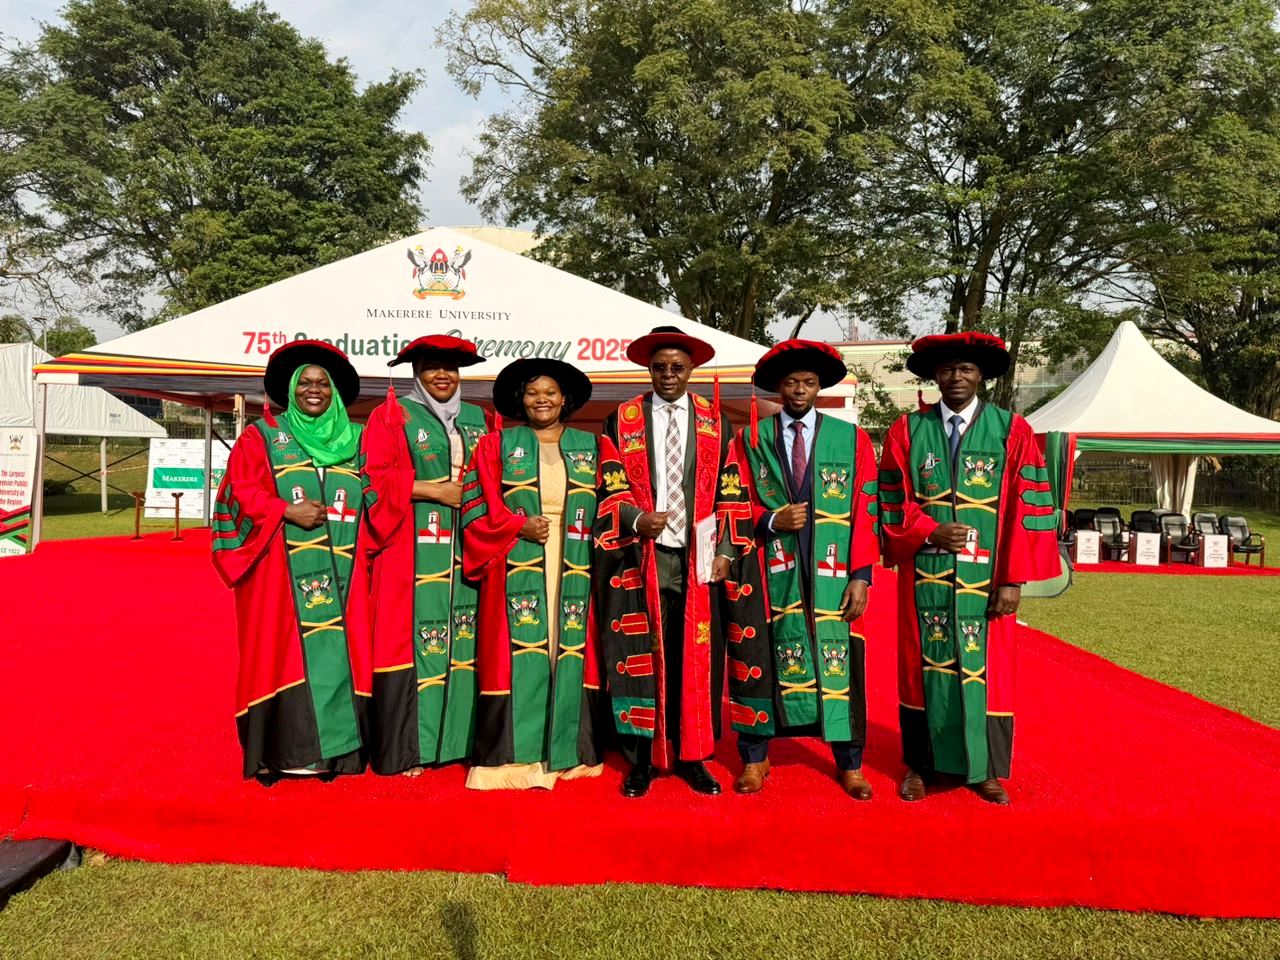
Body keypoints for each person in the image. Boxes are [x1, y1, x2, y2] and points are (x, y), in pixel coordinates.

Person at [879, 331, 1059, 805]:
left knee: (989, 671)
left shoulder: (1010, 430)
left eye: (965, 369)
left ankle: (985, 770)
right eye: (946, 369)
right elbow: (891, 501)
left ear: (981, 375)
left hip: (986, 582)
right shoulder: (907, 430)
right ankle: (921, 766)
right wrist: (928, 531)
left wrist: (1013, 578)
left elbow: (1029, 507)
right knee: (923, 668)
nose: (955, 377)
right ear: (934, 376)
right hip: (924, 579)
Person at [459, 357, 644, 790]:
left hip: (576, 561)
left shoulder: (595, 446)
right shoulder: (494, 445)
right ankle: (512, 759)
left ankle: (568, 752)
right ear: (520, 400)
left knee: (573, 650)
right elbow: (474, 508)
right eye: (532, 392)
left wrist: (637, 521)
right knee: (514, 652)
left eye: (550, 393)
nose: (541, 399)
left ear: (566, 399)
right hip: (515, 559)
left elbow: (617, 499)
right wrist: (514, 525)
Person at [717, 340, 881, 798]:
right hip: (769, 574)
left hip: (833, 570)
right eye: (791, 382)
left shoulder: (851, 440)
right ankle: (756, 757)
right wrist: (770, 519)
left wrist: (862, 576)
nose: (799, 390)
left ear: (820, 386)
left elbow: (866, 509)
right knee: (760, 661)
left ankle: (849, 762)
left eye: (809, 382)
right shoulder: (751, 439)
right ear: (777, 387)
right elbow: (730, 502)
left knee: (843, 663)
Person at [212, 340, 372, 782]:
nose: (314, 390)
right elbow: (240, 492)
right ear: (291, 389)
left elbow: (381, 492)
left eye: (323, 383)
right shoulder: (262, 436)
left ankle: (343, 753)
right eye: (305, 383)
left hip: (349, 569)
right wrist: (285, 510)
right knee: (286, 652)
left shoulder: (359, 439)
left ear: (335, 391)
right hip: (283, 570)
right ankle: (290, 750)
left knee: (347, 652)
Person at [600, 325, 731, 797]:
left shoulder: (716, 421)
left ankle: (692, 755)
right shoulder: (623, 419)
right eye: (660, 367)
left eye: (678, 367)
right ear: (648, 369)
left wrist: (725, 551)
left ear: (691, 369)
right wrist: (635, 519)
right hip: (643, 557)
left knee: (691, 657)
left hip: (695, 558)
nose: (669, 375)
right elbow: (609, 484)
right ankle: (642, 760)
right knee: (642, 656)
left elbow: (729, 492)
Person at [361, 335, 497, 775]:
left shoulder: (480, 418)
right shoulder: (391, 416)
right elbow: (371, 478)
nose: (442, 375)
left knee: (468, 638)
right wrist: (432, 489)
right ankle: (409, 750)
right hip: (409, 549)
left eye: (450, 368)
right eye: (432, 367)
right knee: (409, 639)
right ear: (415, 372)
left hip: (469, 548)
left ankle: (460, 742)